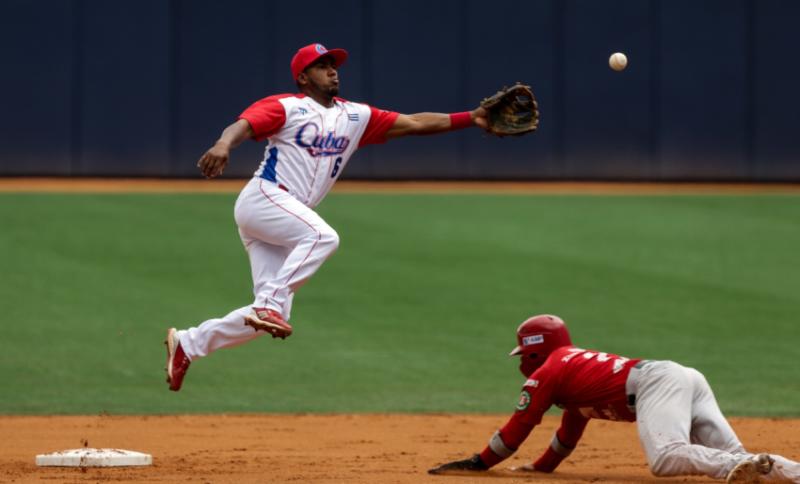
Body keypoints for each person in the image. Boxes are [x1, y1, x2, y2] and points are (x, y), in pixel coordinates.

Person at [164, 43, 491, 392]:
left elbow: (414, 122)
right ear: (303, 77)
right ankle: (269, 303)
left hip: (281, 218)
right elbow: (242, 124)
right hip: (265, 198)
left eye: (333, 64)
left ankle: (190, 343)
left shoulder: (355, 117)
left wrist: (470, 117)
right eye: (322, 66)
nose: (332, 70)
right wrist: (223, 144)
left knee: (268, 316)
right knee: (322, 238)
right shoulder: (287, 107)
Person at [428, 314, 800, 483]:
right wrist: (542, 468)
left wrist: (480, 463)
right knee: (741, 460)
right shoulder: (571, 371)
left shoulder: (549, 371)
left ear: (534, 352)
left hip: (658, 383)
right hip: (682, 378)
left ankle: (731, 468)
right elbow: (568, 433)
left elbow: (518, 427)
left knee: (666, 457)